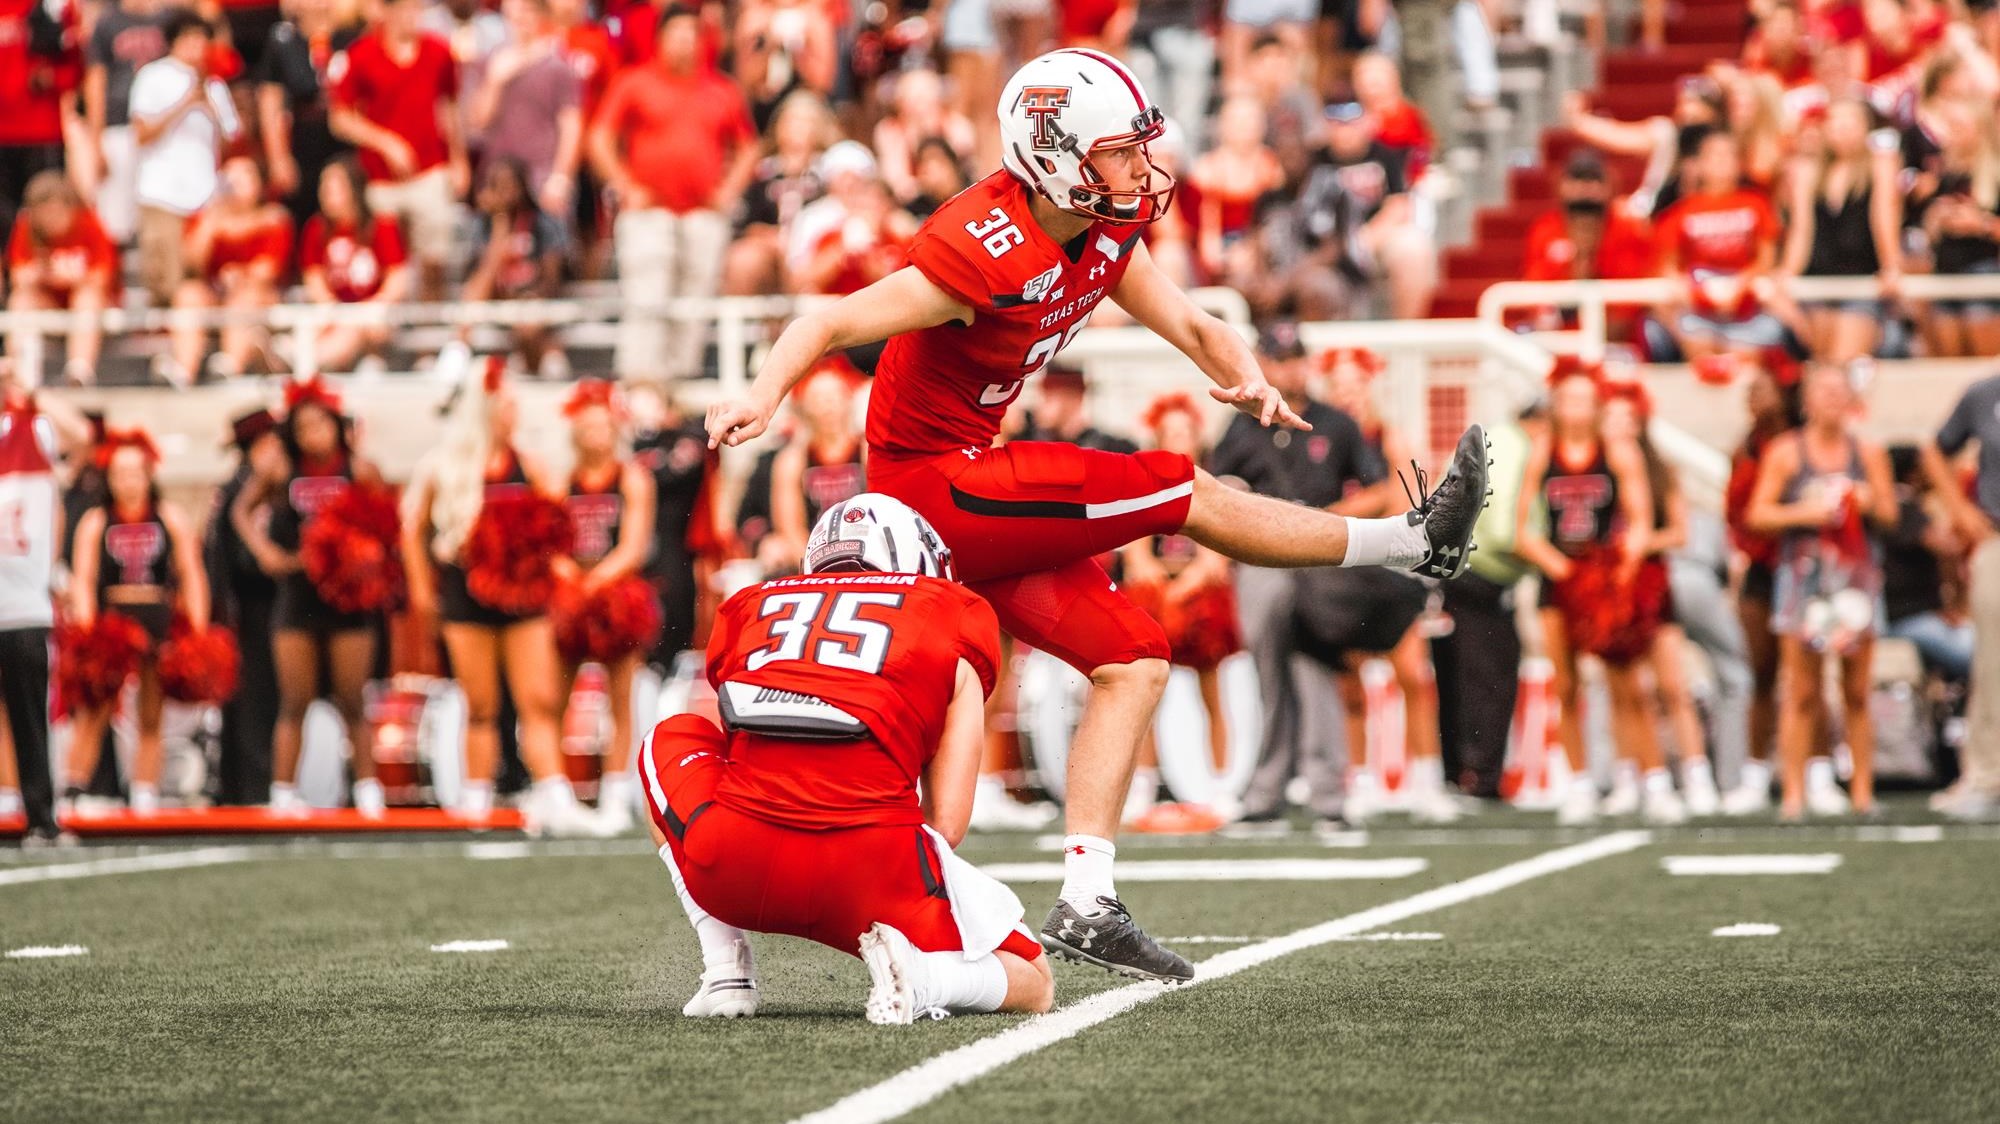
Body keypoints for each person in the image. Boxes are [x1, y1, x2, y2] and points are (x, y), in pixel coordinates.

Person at [706, 46, 1490, 984]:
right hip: (929, 484)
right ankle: (1415, 543)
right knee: (1178, 487)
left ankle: (1087, 896)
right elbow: (825, 322)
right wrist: (760, 397)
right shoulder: (982, 246)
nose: (1141, 167)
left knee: (1133, 656)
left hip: (974, 481)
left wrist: (1247, 378)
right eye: (1119, 151)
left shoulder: (1103, 228)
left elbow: (1196, 324)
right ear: (1053, 157)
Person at [641, 492, 1054, 1023]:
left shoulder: (752, 606)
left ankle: (725, 969)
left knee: (672, 735)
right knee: (1035, 981)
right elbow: (946, 824)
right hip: (872, 875)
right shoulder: (953, 612)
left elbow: (744, 746)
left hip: (734, 870)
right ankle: (926, 979)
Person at [401, 349, 604, 836]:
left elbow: (555, 522)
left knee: (538, 699)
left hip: (524, 600)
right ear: (485, 410)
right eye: (507, 406)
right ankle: (476, 798)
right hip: (465, 599)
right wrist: (421, 592)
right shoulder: (444, 467)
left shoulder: (529, 464)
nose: (515, 415)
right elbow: (412, 530)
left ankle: (555, 793)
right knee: (482, 704)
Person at [1516, 361, 1682, 826]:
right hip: (1560, 578)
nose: (1576, 409)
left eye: (1585, 400)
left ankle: (1654, 782)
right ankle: (1579, 784)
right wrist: (1564, 570)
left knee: (1628, 684)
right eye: (1568, 400)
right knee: (1564, 685)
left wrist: (1619, 569)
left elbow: (1642, 521)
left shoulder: (1617, 451)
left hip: (1607, 579)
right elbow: (1523, 530)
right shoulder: (1542, 451)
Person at [1747, 363, 1897, 819]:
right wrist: (1806, 512)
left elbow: (1891, 514)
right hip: (1804, 578)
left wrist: (1866, 501)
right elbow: (1758, 514)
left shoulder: (1867, 453)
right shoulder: (1785, 453)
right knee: (1801, 691)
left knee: (1856, 691)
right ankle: (1793, 792)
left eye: (1839, 391)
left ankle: (1862, 792)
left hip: (1853, 578)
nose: (1833, 400)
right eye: (1823, 391)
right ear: (1807, 400)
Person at [234, 377, 387, 819]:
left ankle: (368, 790)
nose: (312, 434)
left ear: (337, 425)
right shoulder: (281, 470)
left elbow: (384, 527)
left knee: (352, 699)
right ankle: (283, 792)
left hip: (349, 602)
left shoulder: (359, 470)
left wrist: (367, 559)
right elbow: (240, 511)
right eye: (303, 427)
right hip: (297, 597)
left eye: (321, 423)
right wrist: (267, 553)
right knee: (294, 699)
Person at [1319, 347, 1458, 824]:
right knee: (1350, 685)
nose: (1348, 397)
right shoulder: (1323, 438)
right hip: (1343, 569)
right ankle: (1358, 782)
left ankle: (1426, 780)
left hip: (1390, 568)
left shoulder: (1390, 437)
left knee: (1413, 678)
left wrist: (1340, 514)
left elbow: (1404, 506)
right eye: (1339, 388)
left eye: (1355, 386)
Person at [589, 4, 757, 382]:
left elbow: (748, 147)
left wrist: (727, 192)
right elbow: (600, 138)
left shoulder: (722, 90)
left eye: (691, 34)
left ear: (702, 41)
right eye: (677, 34)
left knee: (695, 301)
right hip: (649, 213)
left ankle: (682, 383)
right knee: (647, 299)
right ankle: (641, 385)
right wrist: (625, 186)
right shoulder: (634, 82)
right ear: (661, 39)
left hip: (702, 214)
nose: (684, 42)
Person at [61, 428, 210, 815]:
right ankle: (74, 787)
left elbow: (191, 573)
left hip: (156, 621)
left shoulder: (169, 517)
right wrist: (88, 627)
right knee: (95, 709)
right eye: (120, 473)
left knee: (150, 710)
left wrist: (197, 628)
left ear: (148, 475)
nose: (127, 481)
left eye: (134, 472)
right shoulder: (97, 521)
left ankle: (145, 791)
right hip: (112, 624)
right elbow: (84, 576)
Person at [1600, 380, 1721, 816]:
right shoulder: (1593, 467)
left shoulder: (1659, 468)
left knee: (1673, 686)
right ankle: (1630, 776)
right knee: (1622, 689)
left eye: (1627, 418)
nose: (1619, 427)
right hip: (1609, 585)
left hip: (1650, 581)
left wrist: (1638, 543)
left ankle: (1696, 774)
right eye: (1611, 417)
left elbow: (1680, 532)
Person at [552, 379, 655, 833]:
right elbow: (550, 541)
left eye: (603, 425)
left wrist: (596, 579)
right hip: (570, 592)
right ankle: (560, 793)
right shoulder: (561, 478)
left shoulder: (632, 477)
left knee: (619, 699)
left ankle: (615, 792)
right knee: (555, 697)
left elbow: (633, 546)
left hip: (616, 594)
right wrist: (571, 578)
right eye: (587, 426)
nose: (596, 434)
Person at [328, 0, 468, 301]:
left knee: (435, 258)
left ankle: (428, 336)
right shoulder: (362, 55)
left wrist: (459, 159)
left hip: (430, 169)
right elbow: (340, 118)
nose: (412, 16)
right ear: (387, 11)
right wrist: (385, 142)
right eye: (405, 8)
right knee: (387, 265)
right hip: (381, 179)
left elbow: (449, 108)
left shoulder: (438, 51)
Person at [129, 9, 240, 319]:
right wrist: (185, 104)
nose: (197, 45)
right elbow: (141, 133)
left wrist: (208, 106)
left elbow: (232, 139)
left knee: (200, 281)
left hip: (205, 197)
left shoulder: (214, 86)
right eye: (190, 38)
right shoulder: (153, 76)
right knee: (166, 280)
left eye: (202, 39)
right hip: (163, 194)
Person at [1924, 369, 2000, 820]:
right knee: (1993, 661)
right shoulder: (1985, 393)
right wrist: (1959, 507)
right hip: (1997, 536)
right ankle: (1987, 775)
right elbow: (1935, 450)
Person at [1779, 98, 1902, 365]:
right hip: (1818, 280)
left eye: (1850, 123)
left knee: (1842, 362)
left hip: (1860, 278)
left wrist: (1891, 265)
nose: (1843, 130)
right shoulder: (1807, 171)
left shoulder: (1880, 164)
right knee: (1820, 363)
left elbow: (1884, 216)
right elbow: (1802, 229)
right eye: (1836, 123)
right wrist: (1787, 273)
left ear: (1865, 128)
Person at [206, 407, 282, 806]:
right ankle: (252, 788)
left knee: (242, 703)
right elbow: (237, 559)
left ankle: (236, 787)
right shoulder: (247, 490)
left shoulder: (231, 487)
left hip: (236, 609)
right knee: (255, 699)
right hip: (252, 608)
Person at [0, 389, 65, 844]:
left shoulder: (33, 427)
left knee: (28, 718)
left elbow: (84, 437)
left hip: (23, 604)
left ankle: (41, 815)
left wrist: (28, 388)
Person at [171, 156, 293, 380]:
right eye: (229, 177)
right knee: (189, 294)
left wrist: (240, 275)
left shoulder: (273, 219)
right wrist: (211, 221)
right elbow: (191, 263)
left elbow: (267, 270)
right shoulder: (207, 219)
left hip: (257, 298)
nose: (235, 184)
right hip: (216, 296)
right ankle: (183, 370)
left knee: (244, 298)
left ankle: (231, 365)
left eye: (243, 176)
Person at [254, 0, 365, 225]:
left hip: (347, 136)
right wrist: (278, 157)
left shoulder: (351, 38)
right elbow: (270, 100)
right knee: (304, 208)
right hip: (304, 138)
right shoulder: (283, 41)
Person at [4, 172, 118, 387]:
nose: (50, 220)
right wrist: (45, 274)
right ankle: (20, 374)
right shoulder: (27, 228)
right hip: (50, 304)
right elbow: (19, 278)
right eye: (44, 213)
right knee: (21, 301)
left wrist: (62, 276)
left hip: (90, 306)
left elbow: (101, 279)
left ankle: (79, 371)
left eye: (55, 212)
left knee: (87, 298)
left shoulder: (89, 223)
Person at [297, 157, 410, 373]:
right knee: (320, 323)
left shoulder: (381, 226)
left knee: (358, 324)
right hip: (335, 312)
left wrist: (370, 306)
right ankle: (307, 358)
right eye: (323, 186)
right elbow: (313, 278)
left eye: (333, 187)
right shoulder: (316, 229)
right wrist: (332, 307)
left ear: (354, 189)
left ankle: (305, 362)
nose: (324, 193)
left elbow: (397, 280)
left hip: (376, 314)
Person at [460, 157, 567, 375]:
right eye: (498, 186)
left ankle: (536, 363)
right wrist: (500, 225)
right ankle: (458, 352)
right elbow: (483, 279)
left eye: (509, 184)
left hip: (534, 298)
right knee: (471, 295)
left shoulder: (542, 223)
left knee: (528, 322)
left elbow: (552, 279)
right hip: (500, 297)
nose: (505, 192)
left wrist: (526, 299)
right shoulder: (485, 225)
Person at [83, 0, 169, 245]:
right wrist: (96, 140)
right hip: (119, 123)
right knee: (115, 214)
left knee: (158, 204)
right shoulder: (108, 23)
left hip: (162, 127)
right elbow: (96, 81)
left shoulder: (169, 19)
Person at [768, 364, 865, 568]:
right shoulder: (793, 460)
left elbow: (885, 509)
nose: (826, 407)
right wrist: (814, 566)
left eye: (832, 398)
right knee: (774, 550)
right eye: (818, 400)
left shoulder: (866, 451)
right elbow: (789, 527)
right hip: (813, 549)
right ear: (806, 408)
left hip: (864, 545)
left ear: (847, 400)